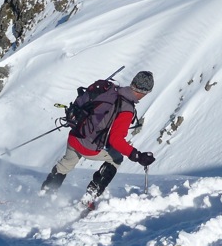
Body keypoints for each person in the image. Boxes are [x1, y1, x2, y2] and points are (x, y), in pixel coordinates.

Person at [41, 70, 156, 209]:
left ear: (133, 83)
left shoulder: (111, 90)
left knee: (65, 165)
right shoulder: (126, 108)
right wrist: (137, 155)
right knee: (116, 159)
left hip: (75, 136)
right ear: (145, 92)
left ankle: (44, 195)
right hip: (89, 147)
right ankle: (89, 197)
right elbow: (116, 140)